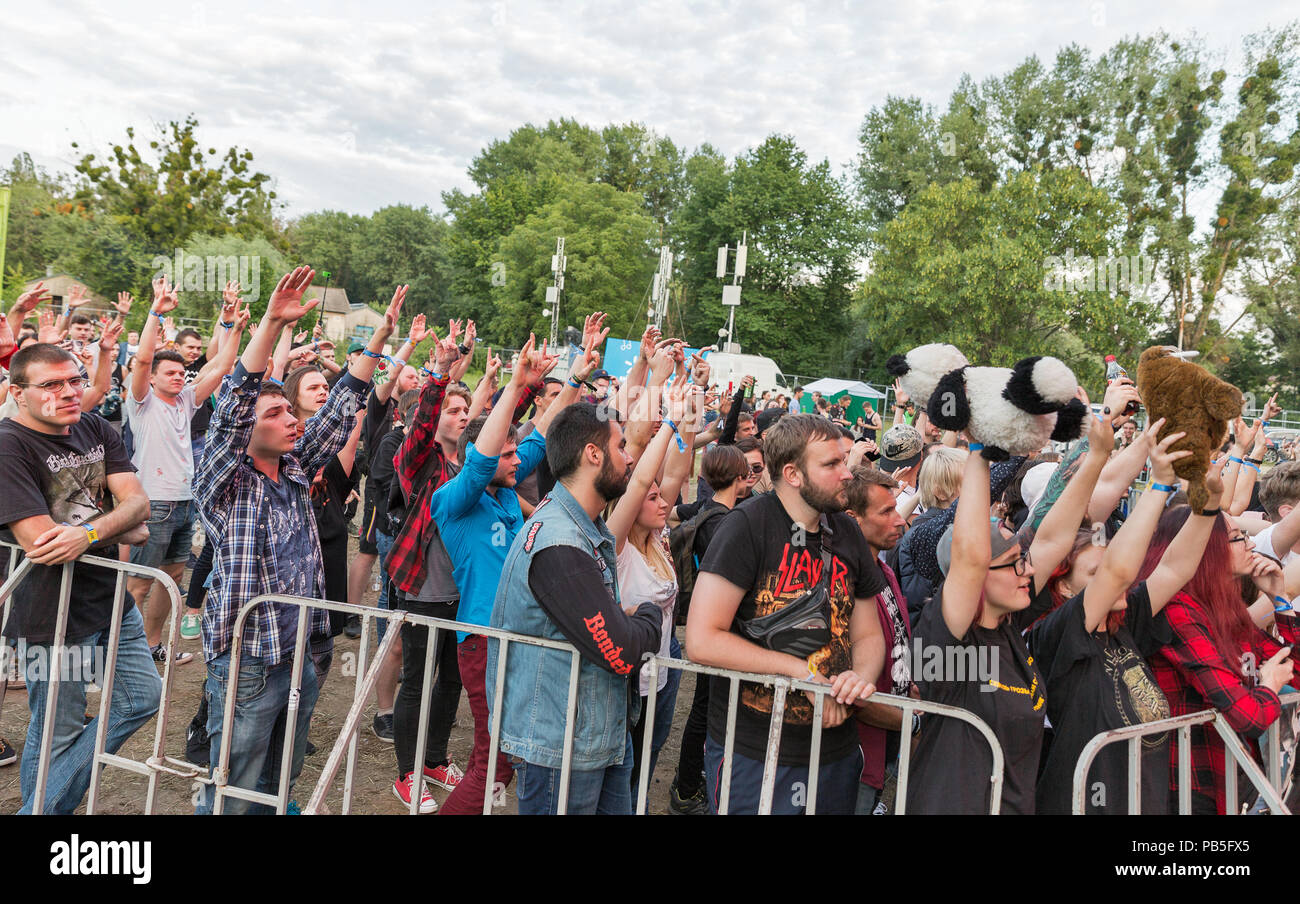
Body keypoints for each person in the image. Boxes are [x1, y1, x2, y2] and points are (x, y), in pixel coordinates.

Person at [193, 267, 397, 814]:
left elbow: (339, 411)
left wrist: (379, 340)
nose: (292, 419)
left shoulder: (296, 470)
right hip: (249, 659)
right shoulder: (226, 480)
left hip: (300, 651)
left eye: (290, 409)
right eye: (276, 412)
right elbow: (235, 400)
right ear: (245, 429)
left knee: (281, 777)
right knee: (233, 784)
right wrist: (270, 322)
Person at [687, 413, 886, 814]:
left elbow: (868, 635)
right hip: (756, 751)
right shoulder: (746, 526)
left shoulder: (846, 532)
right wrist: (800, 674)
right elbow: (702, 639)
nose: (847, 474)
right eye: (831, 465)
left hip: (836, 749)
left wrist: (857, 679)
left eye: (843, 461)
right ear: (793, 474)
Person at [434, 328, 594, 815]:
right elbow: (484, 459)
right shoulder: (455, 500)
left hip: (515, 637)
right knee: (494, 763)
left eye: (512, 452)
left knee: (506, 759)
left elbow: (542, 434)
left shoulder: (506, 490)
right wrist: (511, 388)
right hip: (484, 641)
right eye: (506, 452)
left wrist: (574, 374)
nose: (514, 459)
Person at [0, 342, 158, 814]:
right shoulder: (7, 446)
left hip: (109, 597)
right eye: (51, 384)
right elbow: (43, 544)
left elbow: (141, 507)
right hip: (47, 614)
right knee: (58, 727)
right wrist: (114, 522)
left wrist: (88, 531)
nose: (69, 391)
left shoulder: (92, 426)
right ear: (17, 393)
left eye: (75, 379)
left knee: (143, 697)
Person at [1028, 426, 1219, 814]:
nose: (1119, 573)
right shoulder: (1053, 634)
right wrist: (1160, 485)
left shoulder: (1123, 625)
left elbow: (1175, 569)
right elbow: (1117, 571)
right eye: (1092, 573)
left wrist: (1208, 506)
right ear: (1063, 589)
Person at [489, 400, 664, 814]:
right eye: (621, 447)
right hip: (562, 748)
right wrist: (650, 616)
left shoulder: (584, 529)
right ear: (593, 454)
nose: (630, 457)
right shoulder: (559, 543)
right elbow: (619, 650)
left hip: (598, 735)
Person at [1142, 503, 1299, 814]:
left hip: (1225, 771)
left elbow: (1296, 670)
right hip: (1184, 780)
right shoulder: (1179, 609)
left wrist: (1280, 600)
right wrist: (1268, 684)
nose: (1252, 544)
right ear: (1205, 548)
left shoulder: (1224, 608)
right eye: (1239, 537)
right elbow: (1248, 716)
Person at [125, 277, 238, 665]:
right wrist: (155, 312)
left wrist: (230, 325)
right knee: (138, 584)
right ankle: (116, 656)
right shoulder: (141, 402)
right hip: (152, 503)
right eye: (169, 372)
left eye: (180, 372)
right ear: (152, 378)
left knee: (171, 580)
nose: (178, 377)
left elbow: (223, 365)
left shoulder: (186, 401)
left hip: (185, 503)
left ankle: (152, 646)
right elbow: (142, 359)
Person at [606, 381, 698, 795]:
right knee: (621, 766)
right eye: (654, 498)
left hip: (660, 674)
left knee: (648, 759)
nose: (665, 504)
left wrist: (690, 408)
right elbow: (643, 479)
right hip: (625, 681)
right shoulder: (617, 545)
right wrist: (668, 419)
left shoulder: (659, 540)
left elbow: (677, 470)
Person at [667, 444, 750, 814]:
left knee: (705, 705)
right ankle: (686, 789)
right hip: (720, 628)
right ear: (740, 477)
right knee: (705, 708)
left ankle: (690, 781)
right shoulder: (724, 525)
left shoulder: (704, 511)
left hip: (709, 623)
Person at [844, 466, 913, 814]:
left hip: (882, 746)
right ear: (852, 518)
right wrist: (914, 719)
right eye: (886, 512)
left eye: (896, 508)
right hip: (854, 757)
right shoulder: (845, 584)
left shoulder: (883, 570)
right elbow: (848, 690)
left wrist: (908, 687)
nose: (900, 520)